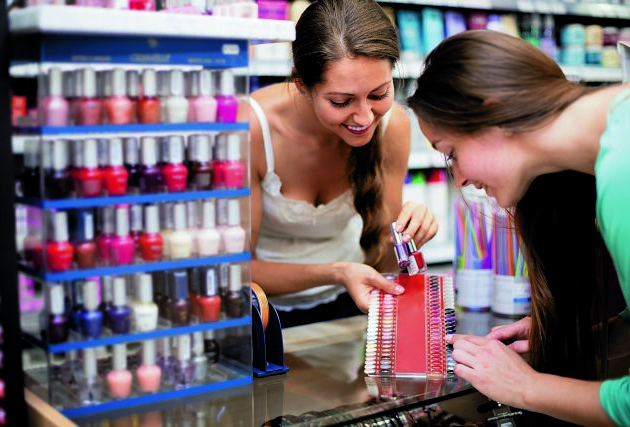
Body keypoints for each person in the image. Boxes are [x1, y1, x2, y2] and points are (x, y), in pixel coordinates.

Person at [407, 30, 630, 427]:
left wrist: (525, 387)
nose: (459, 178)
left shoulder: (622, 172)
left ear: (494, 114)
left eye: (451, 152)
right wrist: (586, 335)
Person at [240, 0, 438, 328]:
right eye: (341, 101)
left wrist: (408, 236)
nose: (364, 117)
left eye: (378, 94)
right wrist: (336, 272)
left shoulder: (392, 126)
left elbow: (384, 264)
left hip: (352, 301)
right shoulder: (251, 129)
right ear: (302, 83)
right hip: (261, 313)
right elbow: (238, 270)